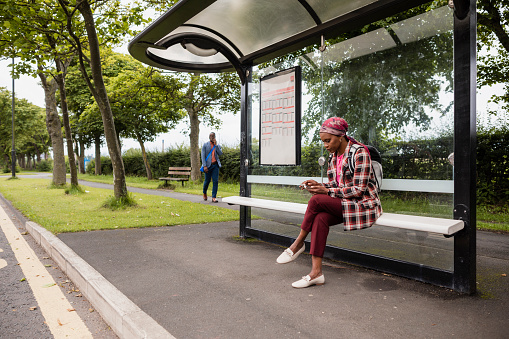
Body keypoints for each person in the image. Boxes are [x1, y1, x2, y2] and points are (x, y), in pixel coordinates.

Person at [276, 117, 382, 288]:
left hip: (364, 205)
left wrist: (325, 191)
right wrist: (319, 186)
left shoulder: (359, 152)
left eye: (328, 140)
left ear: (340, 136)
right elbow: (335, 185)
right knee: (320, 218)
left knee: (316, 200)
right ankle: (316, 273)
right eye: (323, 141)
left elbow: (358, 190)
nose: (325, 145)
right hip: (345, 203)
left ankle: (298, 243)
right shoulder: (334, 157)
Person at [201, 132, 223, 203]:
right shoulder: (205, 145)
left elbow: (220, 153)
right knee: (207, 181)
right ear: (209, 137)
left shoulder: (217, 145)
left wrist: (216, 145)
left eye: (213, 136)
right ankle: (204, 192)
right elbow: (203, 156)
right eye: (210, 136)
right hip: (207, 166)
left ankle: (214, 197)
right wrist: (204, 166)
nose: (212, 137)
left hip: (215, 166)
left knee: (215, 181)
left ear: (215, 137)